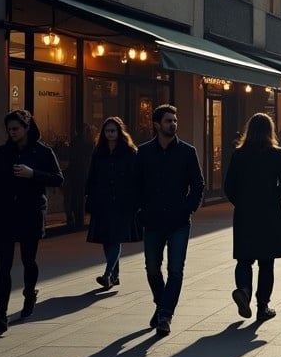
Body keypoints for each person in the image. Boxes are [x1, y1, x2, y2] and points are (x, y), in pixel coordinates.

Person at [136, 104, 205, 336]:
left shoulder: (187, 152)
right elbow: (135, 185)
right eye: (168, 121)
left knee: (175, 270)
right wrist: (140, 210)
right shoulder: (144, 152)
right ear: (157, 124)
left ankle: (165, 315)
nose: (173, 124)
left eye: (174, 120)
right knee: (152, 269)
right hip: (153, 220)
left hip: (178, 221)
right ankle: (162, 303)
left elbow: (198, 184)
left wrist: (188, 208)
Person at [0, 110, 64, 336]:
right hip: (5, 215)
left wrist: (32, 174)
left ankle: (28, 294)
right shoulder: (3, 152)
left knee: (28, 260)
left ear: (26, 128)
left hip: (31, 213)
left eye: (15, 129)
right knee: (3, 266)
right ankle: (1, 314)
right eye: (9, 130)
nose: (12, 133)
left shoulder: (43, 151)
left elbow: (58, 179)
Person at [224, 113, 281, 322]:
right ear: (269, 131)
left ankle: (244, 291)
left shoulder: (239, 154)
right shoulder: (276, 154)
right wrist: (276, 198)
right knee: (266, 262)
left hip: (246, 214)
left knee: (244, 259)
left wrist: (242, 202)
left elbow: (229, 186)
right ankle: (262, 305)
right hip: (269, 214)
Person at [85, 117, 141, 290]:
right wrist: (89, 196)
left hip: (122, 203)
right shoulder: (99, 151)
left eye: (113, 131)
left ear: (119, 132)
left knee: (115, 238)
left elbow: (136, 178)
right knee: (106, 239)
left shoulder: (129, 152)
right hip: (102, 202)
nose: (110, 134)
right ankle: (114, 277)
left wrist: (136, 200)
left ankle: (108, 273)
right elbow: (92, 175)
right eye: (107, 131)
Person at [66, 123, 95, 229]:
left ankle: (76, 216)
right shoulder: (84, 142)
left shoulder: (76, 141)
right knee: (80, 195)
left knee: (76, 195)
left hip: (77, 172)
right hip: (81, 171)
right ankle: (79, 217)